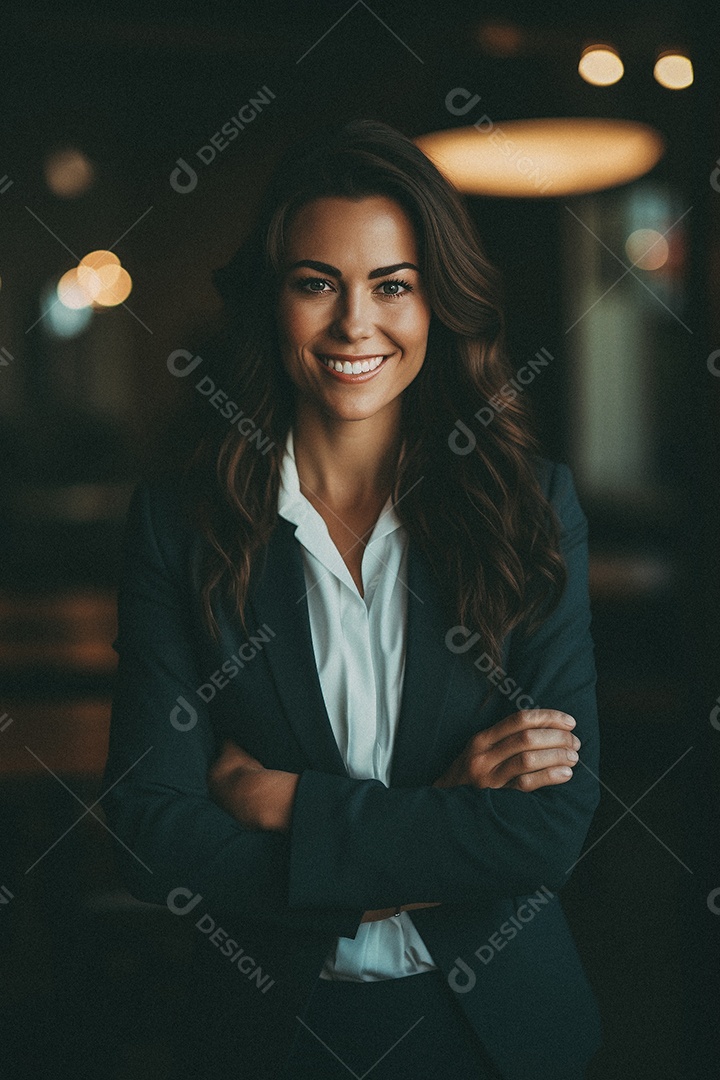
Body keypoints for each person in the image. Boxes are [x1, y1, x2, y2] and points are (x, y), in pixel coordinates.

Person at [101, 118, 602, 1080]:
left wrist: (284, 804)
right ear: (273, 300)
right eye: (316, 282)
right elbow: (151, 836)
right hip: (270, 1038)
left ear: (436, 303)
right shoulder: (181, 523)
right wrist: (444, 811)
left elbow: (547, 832)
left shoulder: (532, 510)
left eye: (393, 285)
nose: (354, 325)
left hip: (497, 1037)